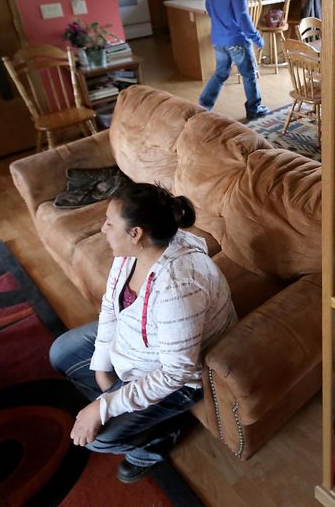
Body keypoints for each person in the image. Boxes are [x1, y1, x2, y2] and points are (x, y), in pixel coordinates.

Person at [49, 183, 237, 483]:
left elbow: (176, 372)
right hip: (136, 343)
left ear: (136, 233)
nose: (102, 229)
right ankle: (132, 405)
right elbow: (111, 306)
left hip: (180, 378)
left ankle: (163, 434)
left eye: (110, 223)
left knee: (100, 439)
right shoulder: (132, 252)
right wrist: (102, 366)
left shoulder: (179, 287)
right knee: (61, 352)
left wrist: (105, 405)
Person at [198, 0, 271, 120]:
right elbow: (242, 16)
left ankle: (203, 105)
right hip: (236, 39)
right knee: (249, 74)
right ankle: (254, 108)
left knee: (220, 73)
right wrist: (256, 38)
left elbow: (209, 6)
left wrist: (221, 24)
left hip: (218, 39)